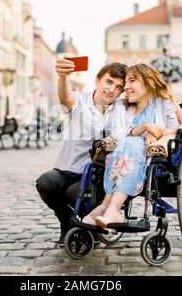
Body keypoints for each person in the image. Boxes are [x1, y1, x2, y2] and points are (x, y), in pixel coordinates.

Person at [36, 59, 128, 245]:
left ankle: (89, 224)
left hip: (99, 174)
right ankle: (67, 221)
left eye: (118, 87)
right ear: (98, 80)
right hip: (68, 168)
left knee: (74, 193)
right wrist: (63, 77)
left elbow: (150, 99)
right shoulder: (79, 100)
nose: (112, 90)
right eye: (109, 82)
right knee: (45, 182)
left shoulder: (121, 109)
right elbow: (64, 98)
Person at [82, 63, 181, 227]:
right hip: (122, 153)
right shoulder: (121, 106)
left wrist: (155, 132)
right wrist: (145, 127)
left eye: (132, 81)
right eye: (125, 83)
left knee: (132, 145)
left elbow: (175, 129)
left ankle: (110, 208)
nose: (126, 87)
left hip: (149, 155)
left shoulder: (163, 103)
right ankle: (110, 208)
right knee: (128, 144)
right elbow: (118, 136)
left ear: (148, 81)